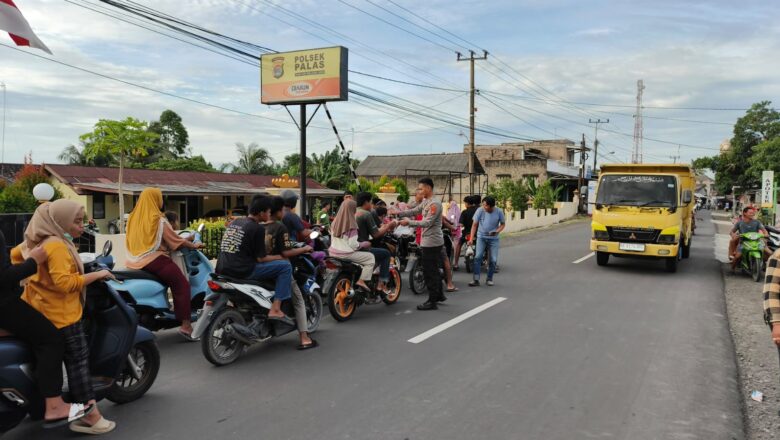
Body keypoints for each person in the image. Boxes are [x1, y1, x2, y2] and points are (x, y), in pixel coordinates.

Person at [13, 200, 115, 434]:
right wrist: (98, 275)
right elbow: (64, 283)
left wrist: (35, 279)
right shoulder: (57, 245)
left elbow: (15, 256)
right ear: (59, 222)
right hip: (63, 315)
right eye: (77, 221)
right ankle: (92, 417)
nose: (82, 226)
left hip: (40, 310)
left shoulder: (37, 242)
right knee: (78, 364)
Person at [1, 230, 95, 429]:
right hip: (4, 304)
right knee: (50, 340)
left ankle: (37, 405)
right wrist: (33, 262)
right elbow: (4, 277)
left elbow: (13, 256)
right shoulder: (53, 244)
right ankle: (54, 405)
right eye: (75, 221)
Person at [125, 188, 203, 339]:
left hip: (133, 261)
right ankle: (186, 326)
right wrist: (194, 245)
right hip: (154, 260)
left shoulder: (133, 217)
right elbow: (175, 241)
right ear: (155, 199)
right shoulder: (158, 219)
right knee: (181, 285)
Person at [216, 195, 294, 322]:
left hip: (222, 268)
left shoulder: (236, 222)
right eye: (268, 211)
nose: (269, 214)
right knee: (285, 266)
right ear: (262, 213)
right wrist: (280, 256)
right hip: (242, 270)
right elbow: (261, 259)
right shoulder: (257, 228)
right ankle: (275, 308)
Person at [265, 197, 318, 350]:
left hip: (262, 269)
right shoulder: (280, 227)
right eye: (282, 209)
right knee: (299, 300)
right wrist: (304, 249)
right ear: (279, 211)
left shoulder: (260, 226)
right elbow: (286, 251)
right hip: (281, 269)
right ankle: (304, 337)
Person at [395, 178, 445, 310]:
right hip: (428, 240)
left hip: (432, 242)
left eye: (421, 188)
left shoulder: (435, 204)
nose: (419, 191)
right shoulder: (426, 202)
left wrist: (409, 222)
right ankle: (439, 295)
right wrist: (399, 213)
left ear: (428, 188)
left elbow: (427, 222)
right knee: (433, 269)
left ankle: (432, 301)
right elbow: (415, 210)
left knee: (430, 272)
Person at [328, 199, 375, 292]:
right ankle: (361, 281)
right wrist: (365, 244)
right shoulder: (352, 225)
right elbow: (354, 245)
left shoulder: (334, 223)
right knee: (370, 258)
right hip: (346, 254)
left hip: (332, 253)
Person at [356, 192, 396, 294]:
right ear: (366, 202)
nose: (371, 205)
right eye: (370, 202)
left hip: (348, 247)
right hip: (362, 248)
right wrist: (388, 226)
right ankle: (381, 284)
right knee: (385, 254)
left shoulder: (353, 212)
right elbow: (376, 234)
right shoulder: (366, 214)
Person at [469, 195, 505, 287]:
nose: (483, 207)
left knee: (493, 259)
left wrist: (496, 231)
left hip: (494, 239)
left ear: (491, 206)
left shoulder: (499, 211)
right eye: (483, 204)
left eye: (485, 205)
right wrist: (471, 239)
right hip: (481, 237)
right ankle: (476, 279)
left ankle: (489, 279)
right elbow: (474, 225)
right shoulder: (480, 210)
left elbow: (502, 224)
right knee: (477, 257)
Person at [454, 196, 479, 270]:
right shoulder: (478, 211)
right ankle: (487, 262)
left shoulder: (464, 212)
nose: (465, 204)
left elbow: (461, 224)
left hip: (466, 233)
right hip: (477, 233)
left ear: (467, 203)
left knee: (459, 245)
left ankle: (456, 264)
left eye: (465, 202)